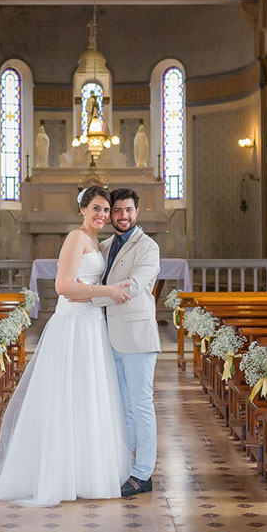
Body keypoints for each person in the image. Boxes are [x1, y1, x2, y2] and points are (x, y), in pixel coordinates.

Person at [0, 186, 134, 506]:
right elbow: (63, 286)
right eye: (96, 208)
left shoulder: (96, 242)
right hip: (73, 325)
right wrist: (105, 291)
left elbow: (83, 285)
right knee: (68, 398)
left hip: (92, 324)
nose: (102, 215)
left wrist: (92, 290)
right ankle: (61, 476)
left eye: (106, 210)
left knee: (89, 396)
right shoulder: (76, 238)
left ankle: (88, 473)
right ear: (82, 209)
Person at [91, 187, 161, 496]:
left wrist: (90, 298)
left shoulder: (148, 247)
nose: (123, 216)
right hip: (108, 336)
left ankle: (143, 473)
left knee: (141, 404)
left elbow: (133, 286)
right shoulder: (104, 246)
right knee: (122, 407)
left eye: (128, 210)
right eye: (117, 210)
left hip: (136, 336)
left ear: (137, 211)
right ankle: (125, 466)